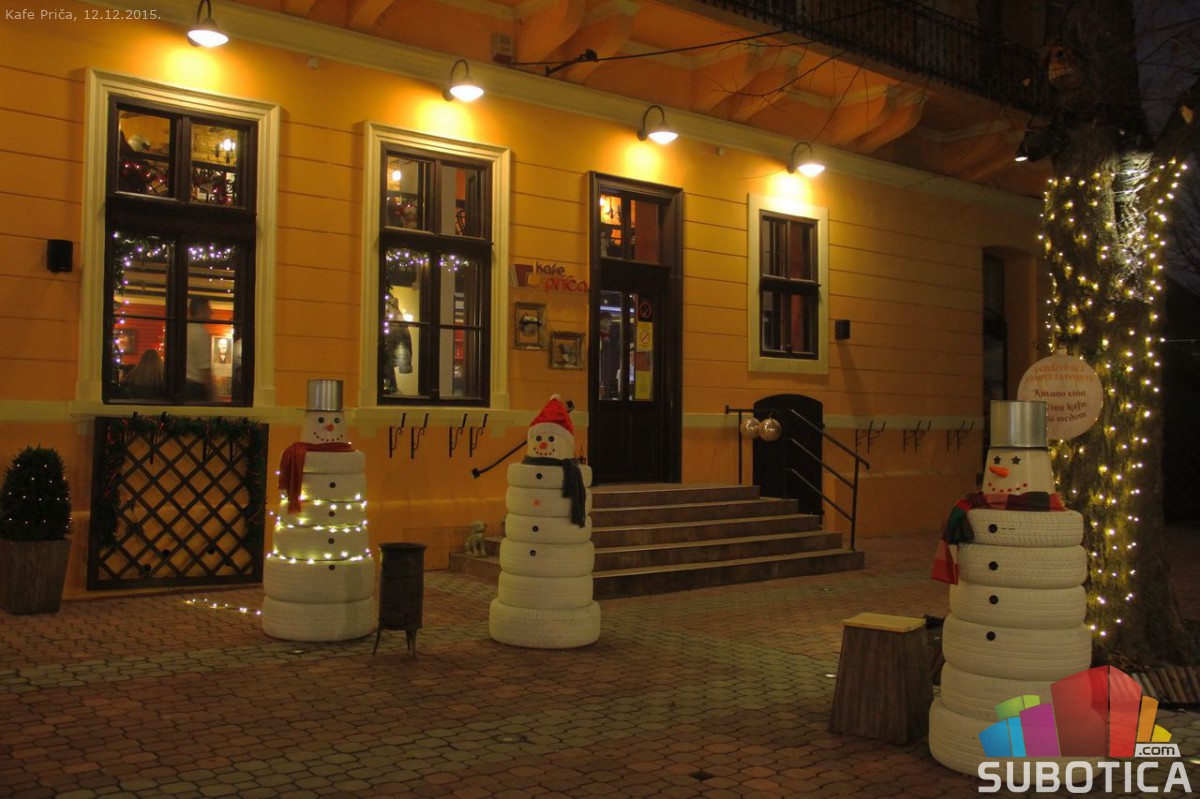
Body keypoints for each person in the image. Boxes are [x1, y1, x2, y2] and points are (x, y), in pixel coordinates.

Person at [185, 297, 212, 401]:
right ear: (202, 310)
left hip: (182, 386)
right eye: (208, 308)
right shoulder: (200, 333)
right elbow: (205, 368)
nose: (211, 312)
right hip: (194, 389)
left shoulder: (185, 329)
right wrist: (212, 396)